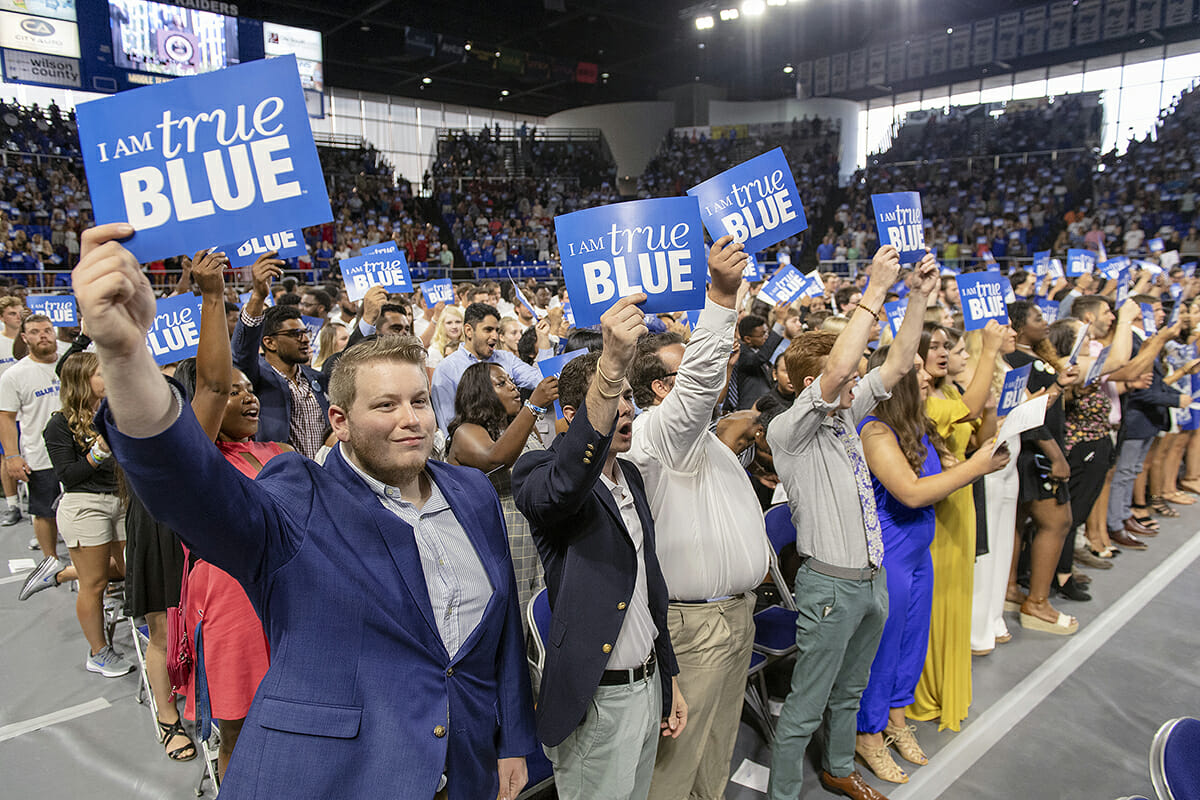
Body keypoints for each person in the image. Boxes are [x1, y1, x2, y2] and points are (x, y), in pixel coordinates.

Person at [75, 223, 535, 800]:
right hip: (335, 780)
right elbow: (187, 485)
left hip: (469, 767)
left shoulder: (472, 493)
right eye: (386, 405)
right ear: (339, 422)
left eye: (419, 400)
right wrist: (123, 355)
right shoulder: (298, 498)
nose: (411, 419)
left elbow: (502, 634)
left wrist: (513, 737)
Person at [766, 246, 937, 800]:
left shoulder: (846, 413)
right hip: (830, 587)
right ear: (811, 383)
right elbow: (842, 365)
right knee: (806, 702)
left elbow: (899, 361)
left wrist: (916, 296)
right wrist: (873, 290)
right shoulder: (790, 429)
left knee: (851, 689)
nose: (856, 380)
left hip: (871, 578)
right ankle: (785, 792)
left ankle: (839, 766)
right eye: (845, 374)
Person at [513, 296, 687, 800]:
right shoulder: (538, 474)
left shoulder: (629, 473)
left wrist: (669, 674)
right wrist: (608, 367)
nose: (627, 408)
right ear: (572, 414)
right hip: (598, 701)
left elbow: (649, 590)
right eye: (615, 397)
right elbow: (568, 482)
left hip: (646, 681)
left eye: (630, 397)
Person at [626, 236, 771, 800]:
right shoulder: (659, 434)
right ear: (663, 388)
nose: (701, 381)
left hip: (735, 618)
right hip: (694, 629)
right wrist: (720, 295)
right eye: (683, 374)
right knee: (675, 771)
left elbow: (712, 376)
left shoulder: (698, 439)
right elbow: (702, 385)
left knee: (714, 757)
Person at [854, 347, 1009, 783]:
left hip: (920, 552)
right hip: (892, 557)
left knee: (912, 645)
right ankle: (867, 736)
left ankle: (897, 722)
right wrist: (975, 469)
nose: (927, 374)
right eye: (917, 368)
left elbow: (949, 470)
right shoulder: (875, 432)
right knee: (884, 651)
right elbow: (913, 492)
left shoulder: (917, 426)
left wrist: (985, 461)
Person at [908, 321, 1001, 732]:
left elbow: (981, 436)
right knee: (935, 605)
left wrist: (996, 409)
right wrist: (991, 351)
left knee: (957, 598)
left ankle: (948, 686)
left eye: (948, 346)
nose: (944, 353)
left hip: (963, 504)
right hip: (940, 511)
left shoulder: (949, 390)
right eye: (936, 346)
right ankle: (922, 692)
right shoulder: (923, 400)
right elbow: (969, 412)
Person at [42, 351, 134, 677]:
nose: (108, 378)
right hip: (85, 505)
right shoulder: (59, 424)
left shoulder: (116, 412)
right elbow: (68, 475)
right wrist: (98, 452)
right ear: (82, 380)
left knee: (131, 570)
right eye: (100, 374)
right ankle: (98, 652)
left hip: (121, 500)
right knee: (94, 584)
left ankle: (64, 572)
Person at [447, 361, 558, 617]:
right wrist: (533, 406)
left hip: (538, 533)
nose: (513, 387)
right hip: (502, 536)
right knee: (513, 619)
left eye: (511, 380)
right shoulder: (466, 432)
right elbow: (495, 459)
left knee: (540, 614)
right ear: (480, 394)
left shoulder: (520, 429)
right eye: (501, 383)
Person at [1004, 301, 1081, 635]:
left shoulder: (1031, 358)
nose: (1045, 322)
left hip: (1029, 455)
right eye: (1037, 318)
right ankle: (1037, 603)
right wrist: (1056, 456)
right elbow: (1030, 418)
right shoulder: (1018, 362)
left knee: (1017, 522)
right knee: (1058, 521)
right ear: (1019, 327)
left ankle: (1009, 588)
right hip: (1035, 455)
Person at [232, 252, 330, 459]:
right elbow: (242, 352)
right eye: (295, 334)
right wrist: (258, 296)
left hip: (324, 477)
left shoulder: (317, 378)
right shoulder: (256, 378)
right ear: (269, 342)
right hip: (281, 479)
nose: (304, 339)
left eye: (305, 333)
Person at [9, 313, 78, 598]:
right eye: (36, 332)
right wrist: (12, 455)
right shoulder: (15, 374)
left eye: (47, 330)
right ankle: (50, 561)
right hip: (40, 454)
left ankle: (79, 562)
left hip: (77, 450)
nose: (43, 335)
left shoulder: (71, 359)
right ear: (25, 338)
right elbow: (6, 417)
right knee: (43, 510)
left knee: (78, 507)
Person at [431, 302, 552, 434]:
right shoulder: (447, 370)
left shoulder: (506, 359)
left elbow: (542, 381)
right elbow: (448, 425)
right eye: (488, 330)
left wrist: (543, 338)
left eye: (497, 330)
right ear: (468, 331)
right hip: (472, 449)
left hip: (512, 441)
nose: (495, 336)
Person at [0, 294, 26, 524]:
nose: (17, 317)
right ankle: (12, 505)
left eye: (20, 313)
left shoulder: (29, 339)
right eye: (11, 313)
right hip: (5, 408)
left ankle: (40, 507)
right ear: (2, 317)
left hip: (29, 408)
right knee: (6, 456)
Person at [730, 313, 783, 410]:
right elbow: (760, 358)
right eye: (762, 334)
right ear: (748, 339)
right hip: (748, 410)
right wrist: (780, 321)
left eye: (767, 332)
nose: (766, 337)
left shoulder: (759, 351)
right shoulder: (741, 354)